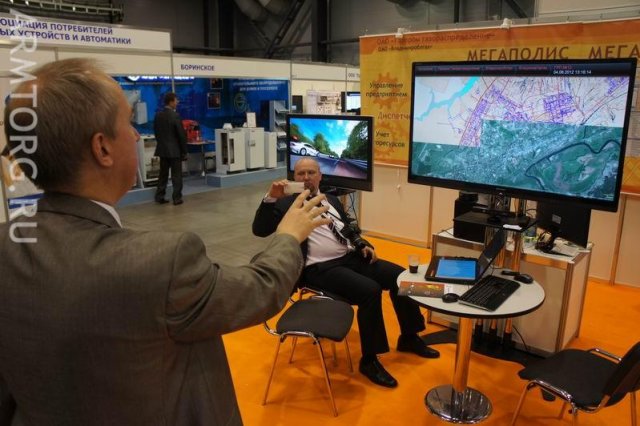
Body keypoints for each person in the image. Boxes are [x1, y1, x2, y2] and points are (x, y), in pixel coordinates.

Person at [0, 58, 331, 425]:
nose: (136, 136)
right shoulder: (158, 262)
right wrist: (289, 234)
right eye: (127, 123)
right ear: (102, 149)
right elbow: (260, 290)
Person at [252, 158, 440, 389]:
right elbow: (259, 229)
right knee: (370, 291)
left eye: (311, 172)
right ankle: (370, 360)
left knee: (401, 277)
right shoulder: (287, 205)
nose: (306, 177)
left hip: (350, 257)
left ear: (320, 176)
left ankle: (409, 337)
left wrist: (363, 244)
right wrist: (271, 197)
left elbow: (348, 229)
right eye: (301, 174)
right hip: (319, 268)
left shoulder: (330, 200)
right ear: (294, 177)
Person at [154, 92, 188, 205]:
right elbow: (181, 135)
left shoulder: (158, 115)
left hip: (162, 150)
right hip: (174, 151)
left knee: (163, 174)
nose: (177, 102)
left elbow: (156, 133)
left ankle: (159, 196)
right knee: (176, 175)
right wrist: (184, 151)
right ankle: (177, 198)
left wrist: (161, 144)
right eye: (176, 100)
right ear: (171, 102)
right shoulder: (175, 116)